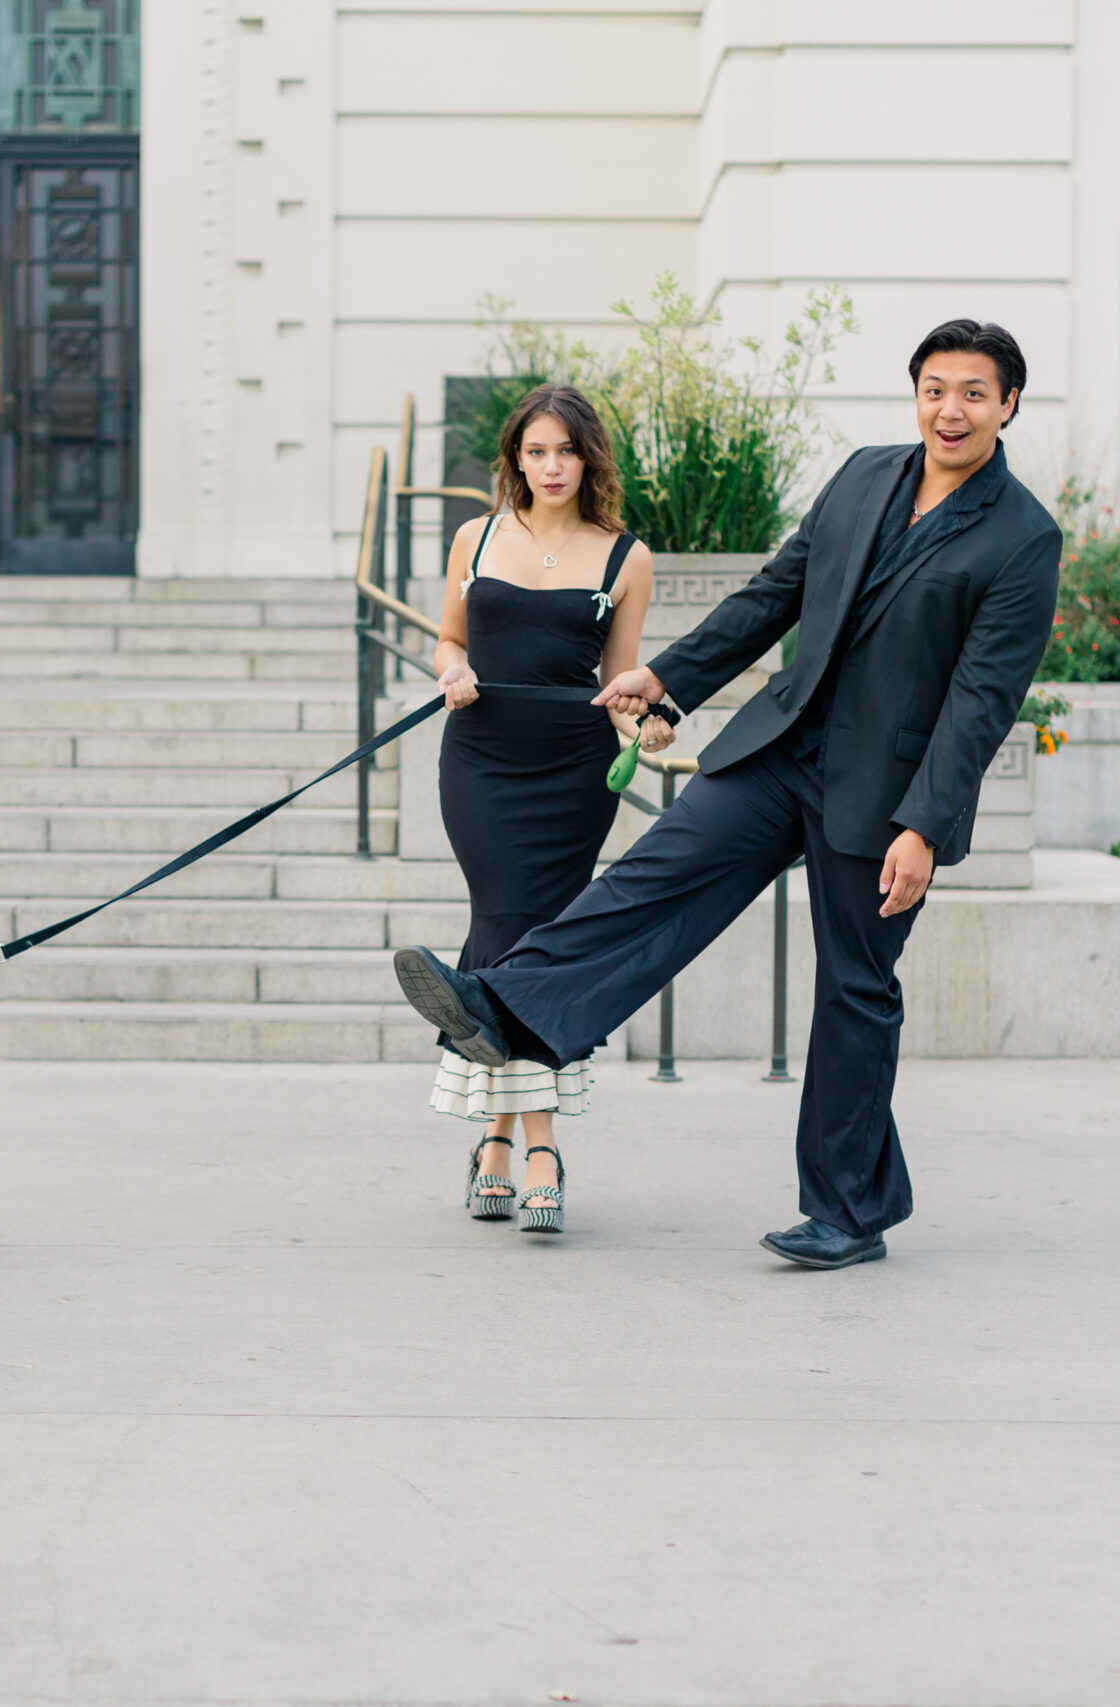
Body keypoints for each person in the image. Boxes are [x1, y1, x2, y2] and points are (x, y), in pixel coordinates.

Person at [393, 320, 1061, 1270]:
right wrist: (665, 680)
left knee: (854, 992)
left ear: (1007, 405)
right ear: (914, 394)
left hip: (887, 791)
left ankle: (847, 1211)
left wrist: (925, 823)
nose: (950, 409)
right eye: (935, 388)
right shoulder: (866, 474)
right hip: (783, 746)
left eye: (973, 393)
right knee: (655, 873)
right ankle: (505, 1007)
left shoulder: (1023, 536)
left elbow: (981, 699)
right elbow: (771, 593)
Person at [427, 383, 672, 1234]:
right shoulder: (477, 534)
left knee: (526, 939)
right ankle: (541, 1144)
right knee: (509, 919)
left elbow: (622, 677)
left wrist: (649, 723)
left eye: (566, 449)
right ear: (515, 459)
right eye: (536, 450)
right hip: (482, 759)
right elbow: (450, 635)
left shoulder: (625, 556)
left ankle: (496, 1136)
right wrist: (452, 670)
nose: (552, 465)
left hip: (571, 767)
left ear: (589, 457)